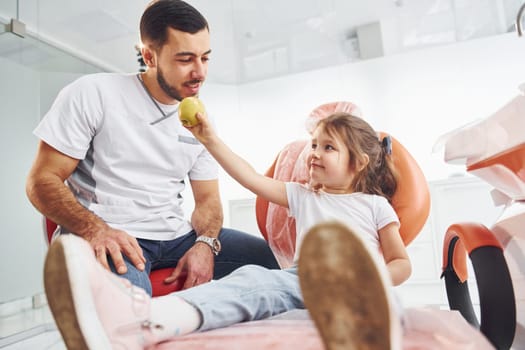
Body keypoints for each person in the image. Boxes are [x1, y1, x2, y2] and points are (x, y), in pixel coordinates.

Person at [43, 111, 412, 350]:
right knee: (257, 281)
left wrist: (370, 278)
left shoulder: (375, 206)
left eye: (327, 147)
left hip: (360, 284)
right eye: (314, 144)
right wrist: (209, 139)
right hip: (309, 279)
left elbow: (400, 263)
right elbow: (248, 176)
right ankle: (148, 321)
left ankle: (369, 332)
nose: (313, 152)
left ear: (359, 162)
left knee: (390, 305)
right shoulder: (302, 196)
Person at [25, 0, 279, 296]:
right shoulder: (93, 93)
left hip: (177, 236)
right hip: (114, 231)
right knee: (131, 309)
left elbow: (208, 200)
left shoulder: (200, 120)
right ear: (149, 56)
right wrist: (97, 230)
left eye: (205, 58)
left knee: (270, 265)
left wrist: (205, 243)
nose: (200, 72)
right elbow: (41, 182)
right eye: (185, 60)